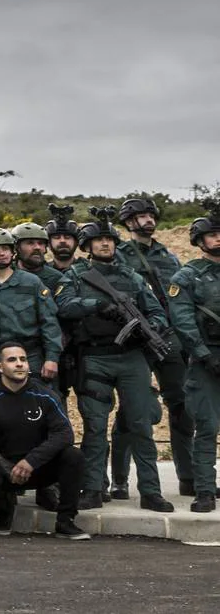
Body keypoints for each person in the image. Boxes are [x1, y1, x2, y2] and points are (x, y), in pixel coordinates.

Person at [56, 217, 176, 513]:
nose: (106, 244)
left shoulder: (132, 277)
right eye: (99, 240)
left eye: (110, 240)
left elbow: (158, 312)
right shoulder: (75, 275)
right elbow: (63, 306)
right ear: (88, 246)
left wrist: (148, 327)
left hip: (132, 358)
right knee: (95, 428)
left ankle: (150, 491)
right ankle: (93, 488)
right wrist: (97, 306)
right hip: (95, 357)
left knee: (140, 426)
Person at [113, 197, 193, 501]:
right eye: (140, 217)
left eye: (150, 215)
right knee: (133, 411)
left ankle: (189, 477)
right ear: (129, 223)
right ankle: (119, 479)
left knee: (182, 406)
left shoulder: (168, 256)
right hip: (135, 340)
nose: (147, 220)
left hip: (169, 336)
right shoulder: (120, 255)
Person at [0, 343, 90, 539]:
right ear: (0, 367)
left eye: (23, 359)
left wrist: (31, 461)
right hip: (3, 471)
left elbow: (64, 434)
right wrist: (6, 466)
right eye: (12, 360)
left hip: (37, 468)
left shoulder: (46, 396)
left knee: (73, 456)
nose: (19, 364)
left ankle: (65, 521)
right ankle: (4, 512)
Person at [166, 211, 220, 513]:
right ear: (200, 241)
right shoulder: (187, 276)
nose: (218, 239)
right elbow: (183, 321)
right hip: (206, 359)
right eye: (212, 234)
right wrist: (203, 355)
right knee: (207, 427)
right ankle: (205, 490)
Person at [0, 227, 63, 385]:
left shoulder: (32, 282)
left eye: (6, 249)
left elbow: (49, 322)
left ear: (13, 251)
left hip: (31, 357)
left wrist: (51, 358)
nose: (1, 254)